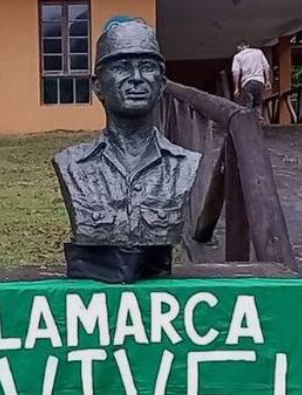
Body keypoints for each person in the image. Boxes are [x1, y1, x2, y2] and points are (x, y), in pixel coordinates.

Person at [53, 20, 201, 248]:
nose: (136, 77)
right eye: (122, 67)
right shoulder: (72, 165)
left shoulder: (184, 164)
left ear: (161, 84)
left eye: (147, 67)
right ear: (98, 86)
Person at [231, 40, 272, 116]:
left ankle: (249, 120)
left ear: (240, 47)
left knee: (248, 103)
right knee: (258, 102)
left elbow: (235, 73)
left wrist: (236, 88)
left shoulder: (238, 56)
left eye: (238, 48)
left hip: (247, 82)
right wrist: (268, 81)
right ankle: (258, 118)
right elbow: (266, 67)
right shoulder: (259, 52)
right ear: (248, 45)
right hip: (260, 81)